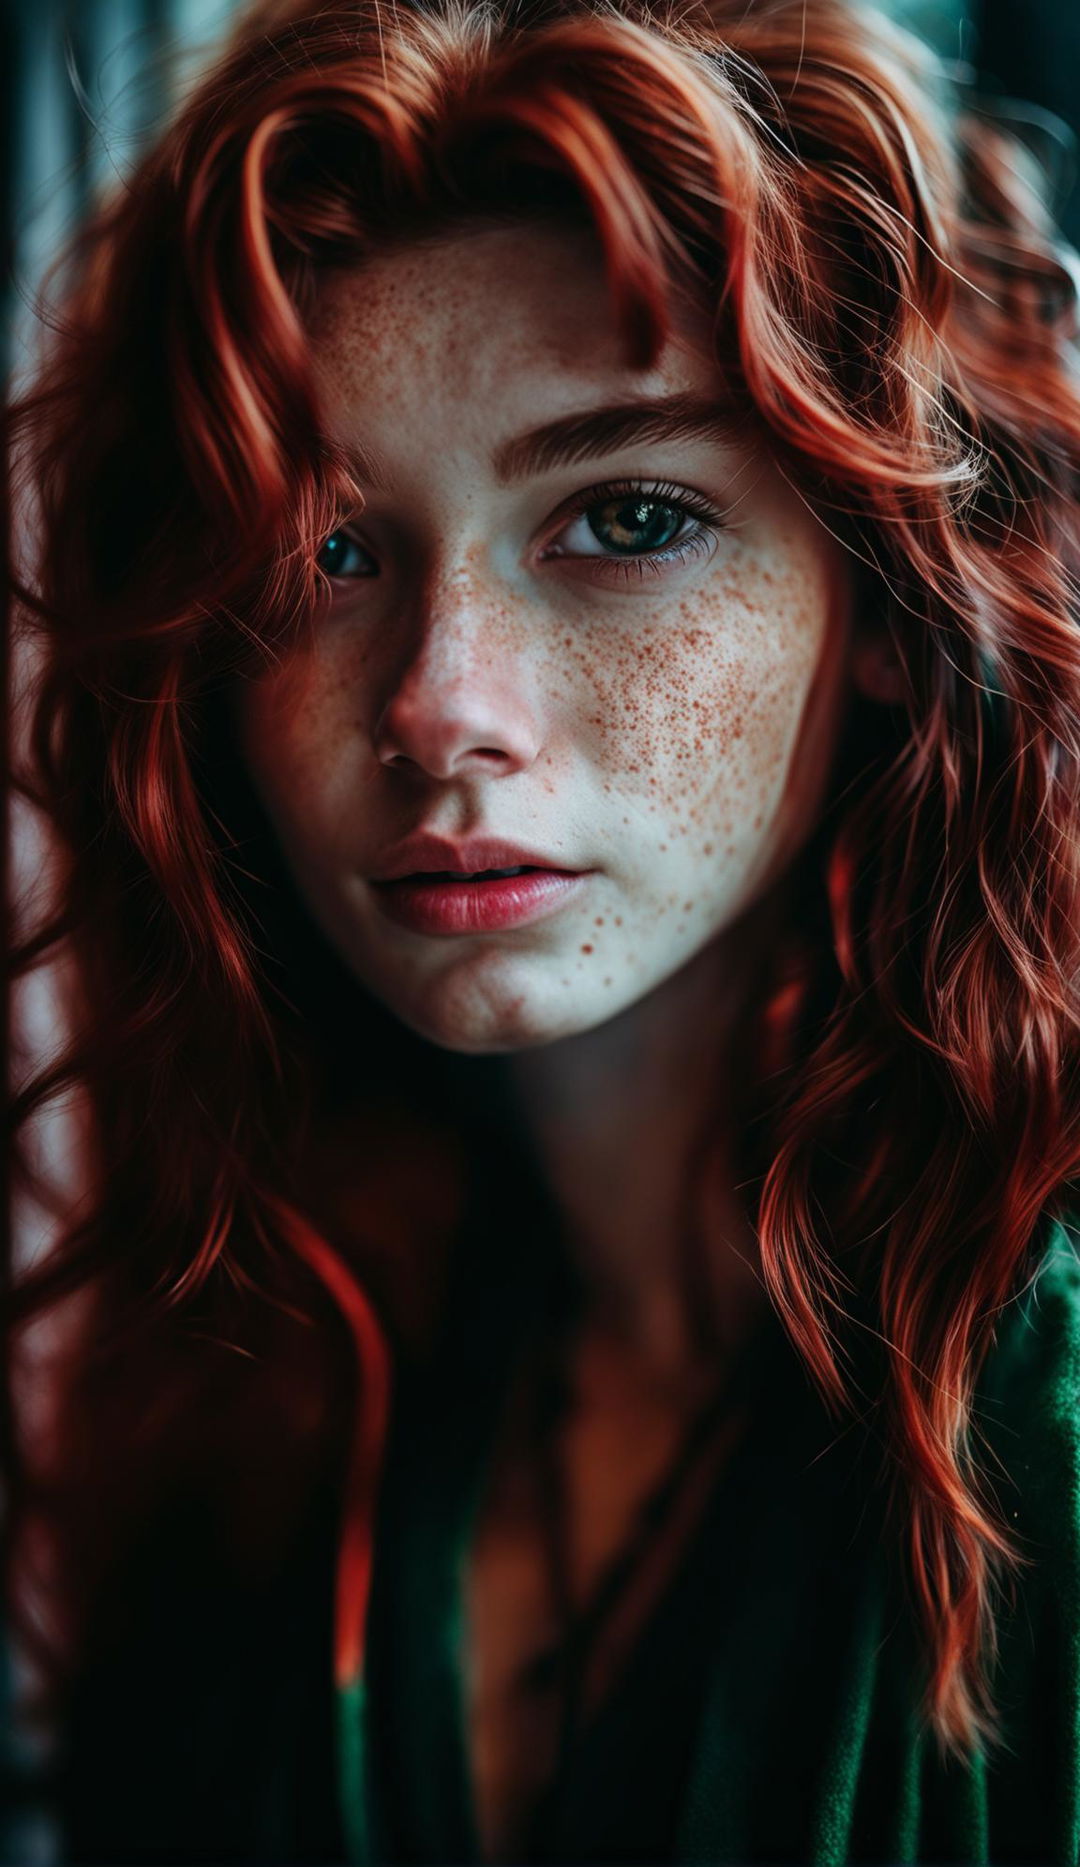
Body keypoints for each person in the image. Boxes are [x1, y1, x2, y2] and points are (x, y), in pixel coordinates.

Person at [6, 0, 1080, 1859]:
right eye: (323, 553)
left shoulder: (1050, 1415)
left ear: (894, 601)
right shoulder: (259, 1375)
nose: (438, 702)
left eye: (627, 516)